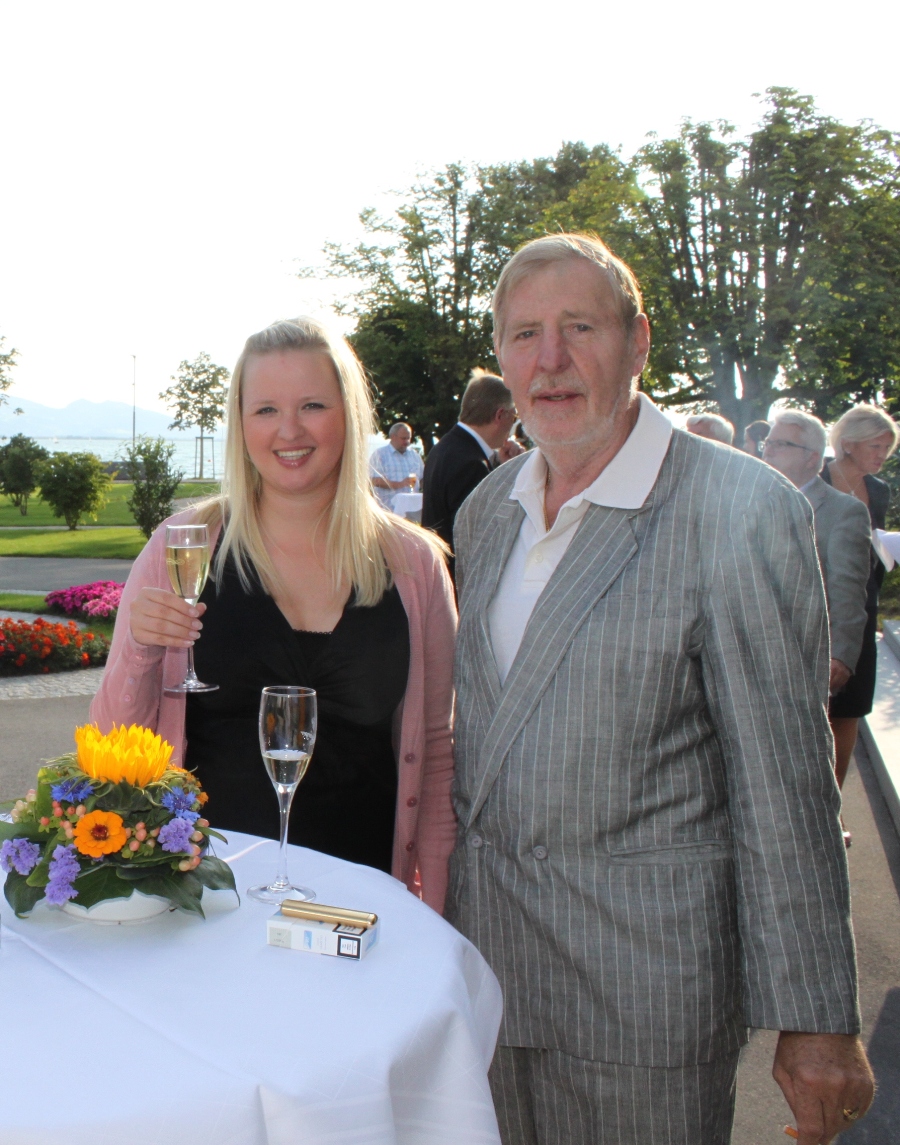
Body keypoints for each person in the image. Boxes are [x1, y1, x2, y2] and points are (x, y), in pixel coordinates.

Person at [445, 233, 873, 1145]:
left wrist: (817, 1017)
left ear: (638, 341)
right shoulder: (488, 511)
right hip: (490, 977)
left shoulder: (738, 508)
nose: (550, 359)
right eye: (524, 335)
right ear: (502, 360)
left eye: (579, 327)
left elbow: (784, 781)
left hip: (641, 997)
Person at [91, 318, 457, 912]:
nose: (289, 430)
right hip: (209, 902)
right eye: (265, 410)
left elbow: (437, 755)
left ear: (349, 415)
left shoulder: (414, 565)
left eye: (312, 405)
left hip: (360, 909)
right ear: (240, 424)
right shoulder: (184, 544)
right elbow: (111, 744)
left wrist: (431, 913)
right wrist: (140, 647)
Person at [762, 411, 871, 820]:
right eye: (768, 442)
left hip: (803, 659)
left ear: (812, 457)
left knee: (804, 768)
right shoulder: (745, 498)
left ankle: (818, 831)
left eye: (781, 444)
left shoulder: (842, 511)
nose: (768, 451)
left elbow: (848, 590)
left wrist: (840, 657)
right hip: (748, 650)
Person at [821, 403, 900, 796]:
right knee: (815, 710)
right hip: (815, 606)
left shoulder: (879, 491)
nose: (882, 455)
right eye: (875, 446)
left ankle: (835, 805)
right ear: (849, 443)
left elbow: (874, 548)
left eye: (887, 448)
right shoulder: (814, 478)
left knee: (850, 708)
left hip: (862, 610)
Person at [422, 368, 519, 552]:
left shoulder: (444, 447)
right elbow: (480, 538)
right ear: (500, 415)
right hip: (458, 568)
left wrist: (502, 466)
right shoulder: (471, 464)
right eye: (514, 416)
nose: (513, 425)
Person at [369, 422, 424, 510]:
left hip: (412, 510)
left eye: (408, 438)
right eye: (403, 438)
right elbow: (375, 480)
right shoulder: (380, 455)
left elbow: (422, 479)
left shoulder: (414, 455)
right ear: (393, 437)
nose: (406, 442)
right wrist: (399, 484)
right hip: (388, 509)